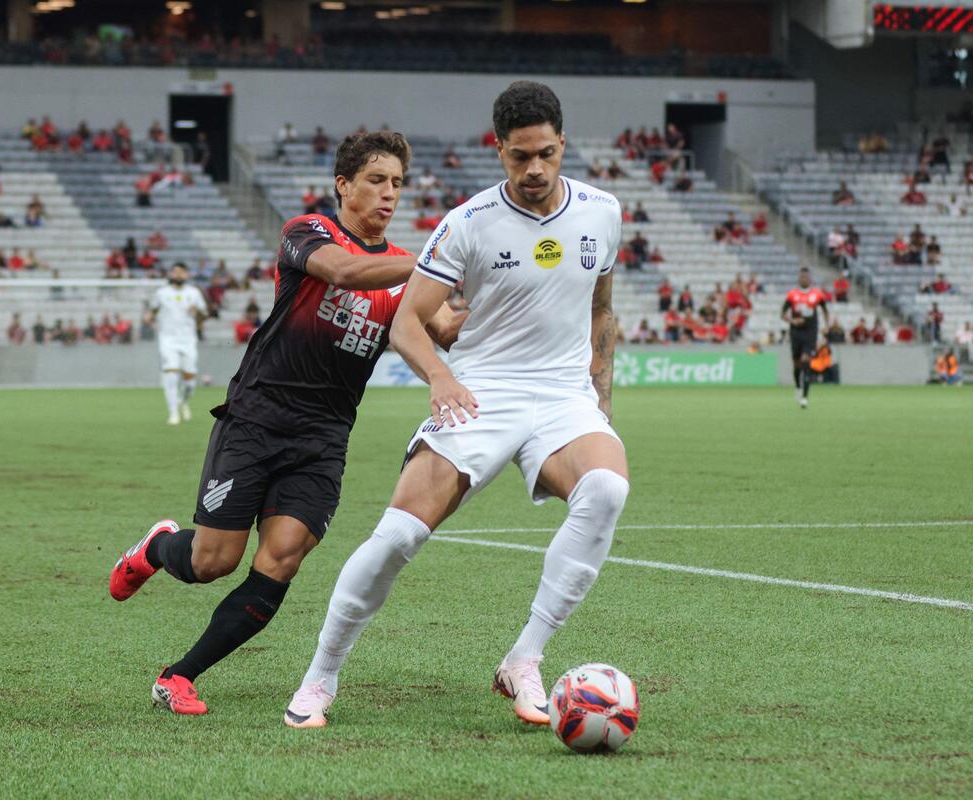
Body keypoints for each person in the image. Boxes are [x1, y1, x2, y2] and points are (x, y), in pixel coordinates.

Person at [283, 81, 628, 730]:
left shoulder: (602, 211)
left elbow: (602, 311)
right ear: (499, 150)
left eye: (546, 154)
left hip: (563, 396)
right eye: (520, 156)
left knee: (607, 488)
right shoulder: (468, 223)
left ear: (562, 145)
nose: (534, 168)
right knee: (398, 535)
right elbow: (407, 322)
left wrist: (599, 400)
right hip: (481, 391)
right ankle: (320, 676)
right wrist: (440, 378)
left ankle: (524, 659)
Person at [107, 131, 462, 716]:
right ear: (343, 185)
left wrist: (509, 284)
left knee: (282, 559)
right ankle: (158, 547)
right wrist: (437, 263)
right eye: (376, 180)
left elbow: (446, 328)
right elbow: (344, 273)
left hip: (324, 438)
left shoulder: (407, 274)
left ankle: (179, 676)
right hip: (256, 418)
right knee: (213, 562)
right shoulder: (308, 232)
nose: (389, 193)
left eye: (397, 183)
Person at [143, 262, 208, 426]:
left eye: (181, 272)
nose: (178, 275)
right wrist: (150, 319)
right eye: (175, 272)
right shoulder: (161, 293)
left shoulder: (194, 293)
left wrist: (197, 312)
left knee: (190, 382)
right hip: (168, 340)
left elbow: (204, 315)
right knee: (171, 375)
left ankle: (183, 401)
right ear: (171, 274)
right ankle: (173, 413)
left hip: (188, 340)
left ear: (187, 275)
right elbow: (152, 312)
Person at [781, 268, 831, 409]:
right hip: (796, 333)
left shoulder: (817, 294)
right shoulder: (792, 295)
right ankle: (798, 386)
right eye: (802, 277)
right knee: (797, 365)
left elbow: (825, 311)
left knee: (806, 361)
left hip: (810, 333)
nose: (804, 279)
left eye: (806, 277)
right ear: (799, 279)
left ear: (810, 279)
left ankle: (805, 397)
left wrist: (827, 326)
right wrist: (793, 321)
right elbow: (782, 313)